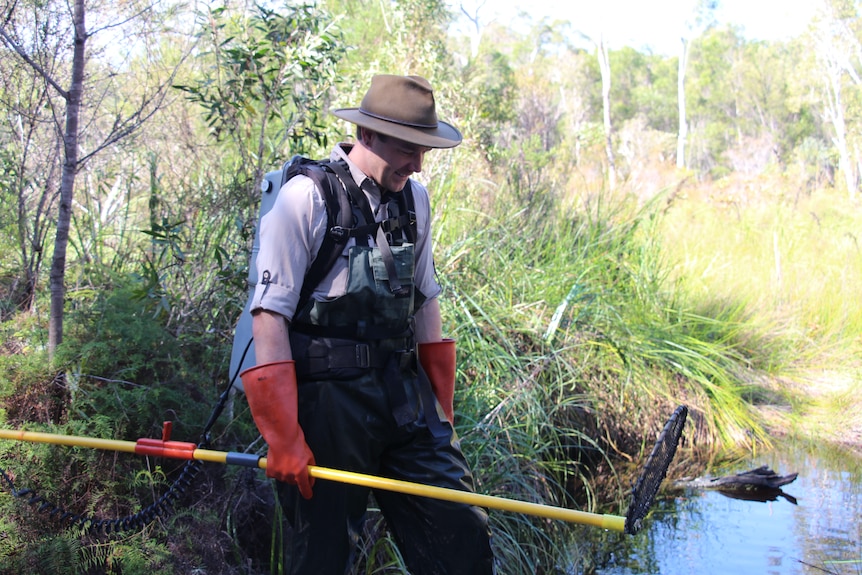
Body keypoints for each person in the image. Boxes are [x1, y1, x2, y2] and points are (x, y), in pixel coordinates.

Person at [240, 74, 495, 575]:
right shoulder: (306, 199)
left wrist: (440, 411)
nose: (418, 163)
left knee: (462, 532)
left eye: (424, 149)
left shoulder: (414, 199)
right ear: (369, 135)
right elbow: (268, 317)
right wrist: (284, 437)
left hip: (402, 394)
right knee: (324, 555)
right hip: (326, 404)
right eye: (408, 147)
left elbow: (425, 300)